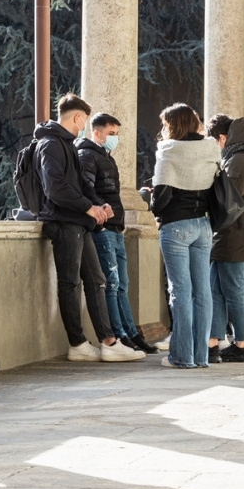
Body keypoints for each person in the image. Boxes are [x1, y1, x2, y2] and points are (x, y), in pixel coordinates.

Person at [34, 94, 145, 362]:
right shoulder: (50, 144)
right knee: (70, 284)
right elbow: (55, 188)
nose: (83, 125)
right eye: (84, 120)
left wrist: (99, 205)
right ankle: (78, 343)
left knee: (96, 280)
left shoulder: (66, 144)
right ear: (78, 117)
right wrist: (89, 207)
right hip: (63, 222)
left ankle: (108, 341)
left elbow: (80, 185)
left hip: (78, 222)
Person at [144, 103, 221, 368]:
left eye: (166, 124)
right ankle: (201, 357)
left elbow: (162, 198)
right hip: (204, 226)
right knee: (203, 292)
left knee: (180, 291)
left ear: (174, 125)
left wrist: (152, 197)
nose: (163, 129)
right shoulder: (211, 147)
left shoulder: (169, 150)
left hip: (176, 226)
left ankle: (181, 356)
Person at [77, 113, 157, 354]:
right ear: (97, 133)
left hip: (115, 227)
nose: (115, 139)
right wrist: (101, 212)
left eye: (117, 134)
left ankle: (131, 333)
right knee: (112, 284)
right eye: (111, 134)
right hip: (103, 228)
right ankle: (121, 335)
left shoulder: (105, 156)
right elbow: (87, 189)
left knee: (122, 284)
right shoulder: (87, 155)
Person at [205, 114, 244, 363]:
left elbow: (228, 202)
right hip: (238, 235)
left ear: (223, 138)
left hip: (233, 235)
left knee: (232, 290)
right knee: (218, 290)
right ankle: (213, 343)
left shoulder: (240, 160)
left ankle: (241, 346)